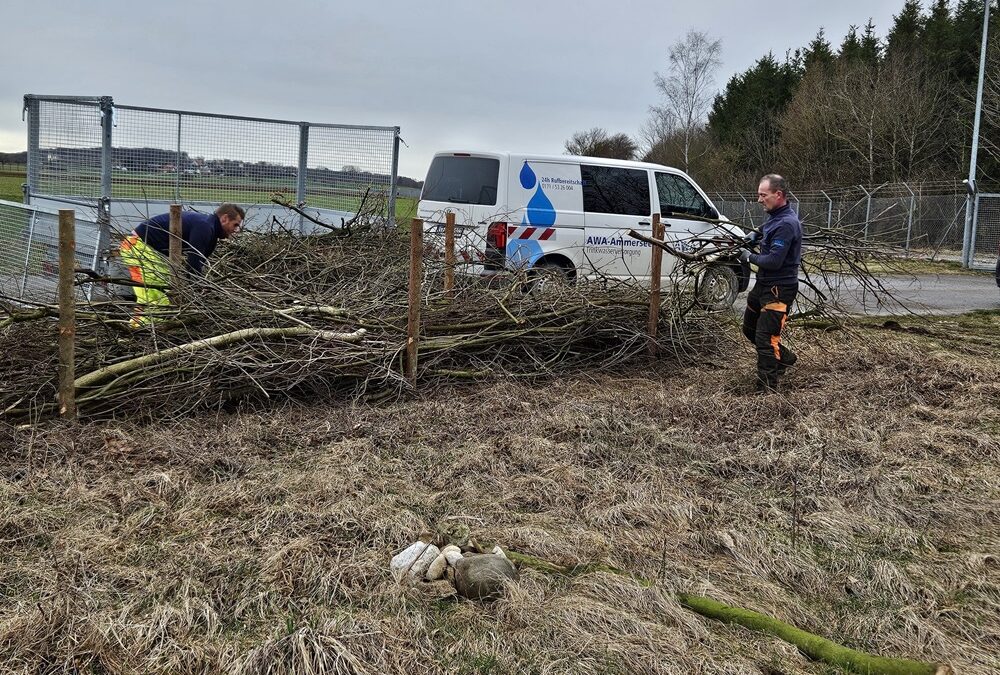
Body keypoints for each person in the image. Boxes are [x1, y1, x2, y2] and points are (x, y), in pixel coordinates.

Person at [119, 203, 244, 327]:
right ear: (225, 218)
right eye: (235, 225)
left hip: (150, 250)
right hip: (138, 246)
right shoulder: (205, 226)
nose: (236, 230)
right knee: (153, 296)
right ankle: (136, 330)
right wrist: (199, 288)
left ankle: (150, 329)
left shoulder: (210, 231)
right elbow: (193, 263)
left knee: (162, 296)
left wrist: (201, 285)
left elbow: (198, 263)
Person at [736, 175, 802, 393]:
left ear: (778, 195)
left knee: (765, 338)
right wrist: (755, 233)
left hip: (778, 290)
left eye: (763, 195)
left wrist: (748, 256)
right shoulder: (776, 217)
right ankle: (785, 358)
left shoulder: (787, 224)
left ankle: (767, 388)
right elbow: (768, 227)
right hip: (763, 286)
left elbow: (774, 261)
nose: (759, 199)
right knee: (749, 329)